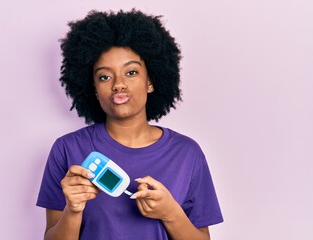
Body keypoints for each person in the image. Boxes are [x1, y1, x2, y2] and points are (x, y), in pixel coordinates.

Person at [37, 9, 223, 240]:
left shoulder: (187, 153)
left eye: (131, 72)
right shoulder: (67, 149)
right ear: (94, 89)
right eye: (105, 76)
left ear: (150, 82)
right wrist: (73, 211)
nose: (118, 85)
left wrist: (171, 214)